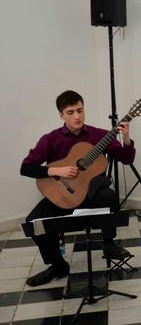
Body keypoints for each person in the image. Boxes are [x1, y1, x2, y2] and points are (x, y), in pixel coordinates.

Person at [21, 90, 134, 287]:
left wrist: (127, 139)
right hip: (63, 195)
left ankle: (109, 244)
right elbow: (26, 168)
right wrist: (58, 170)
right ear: (61, 114)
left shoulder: (98, 136)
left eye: (80, 111)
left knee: (108, 195)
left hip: (91, 196)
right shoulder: (50, 139)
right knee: (33, 223)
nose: (77, 116)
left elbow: (127, 159)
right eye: (71, 112)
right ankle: (58, 265)